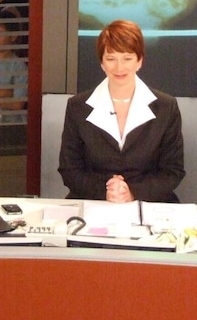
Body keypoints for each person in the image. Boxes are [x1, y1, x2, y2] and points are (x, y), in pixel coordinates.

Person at [58, 20, 185, 202]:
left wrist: (132, 192)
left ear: (139, 61)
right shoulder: (78, 107)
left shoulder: (165, 106)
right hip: (92, 201)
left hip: (149, 204)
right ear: (102, 62)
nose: (119, 68)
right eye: (111, 59)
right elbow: (70, 170)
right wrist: (106, 191)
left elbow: (173, 171)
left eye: (127, 58)